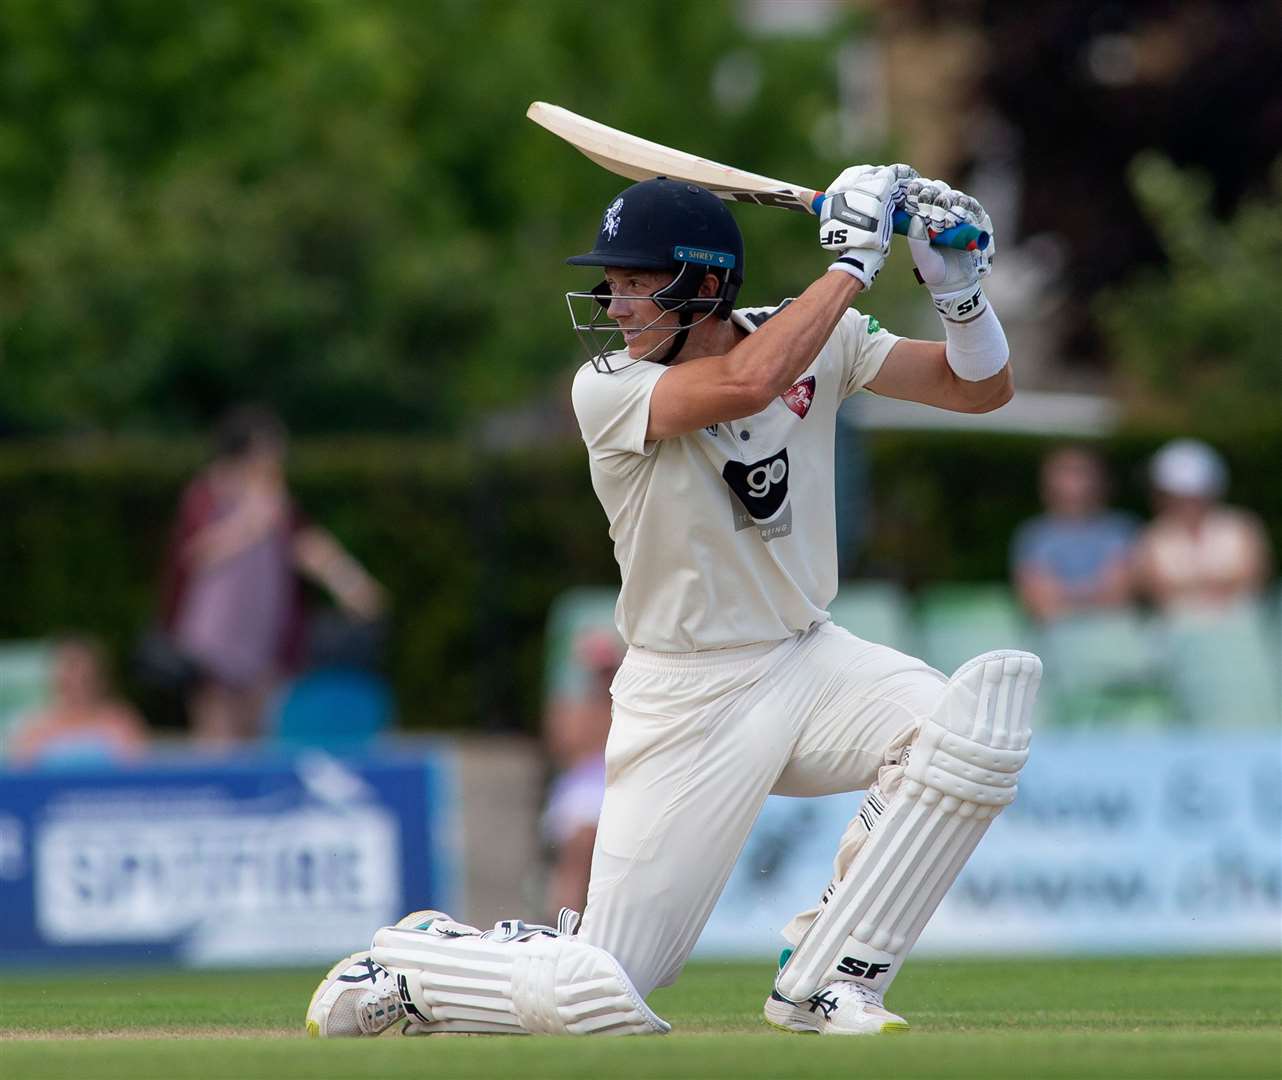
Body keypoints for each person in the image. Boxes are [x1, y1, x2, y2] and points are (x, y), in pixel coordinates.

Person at [307, 169, 1041, 1038]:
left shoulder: (814, 337)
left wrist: (958, 290)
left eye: (632, 284)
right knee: (598, 990)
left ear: (703, 284)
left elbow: (976, 389)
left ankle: (828, 976)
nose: (613, 308)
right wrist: (852, 260)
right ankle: (417, 959)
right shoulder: (608, 388)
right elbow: (744, 387)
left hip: (809, 658)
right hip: (686, 697)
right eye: (608, 285)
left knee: (968, 732)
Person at [161, 404, 386, 746]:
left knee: (261, 727)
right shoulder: (206, 493)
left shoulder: (276, 500)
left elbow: (308, 545)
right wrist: (252, 521)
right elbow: (196, 555)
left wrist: (351, 584)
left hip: (263, 634)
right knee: (217, 732)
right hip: (216, 636)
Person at [1133, 439, 1272, 613]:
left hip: (1239, 621)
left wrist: (1189, 588)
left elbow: (1254, 577)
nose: (1187, 504)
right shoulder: (1153, 535)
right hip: (1176, 628)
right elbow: (1154, 588)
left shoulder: (1242, 525)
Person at [540, 627, 622, 916]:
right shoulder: (571, 707)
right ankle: (565, 920)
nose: (604, 678)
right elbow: (566, 748)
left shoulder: (629, 704)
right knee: (579, 849)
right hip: (584, 788)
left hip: (616, 783)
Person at [1011, 446, 1138, 621]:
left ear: (1100, 480)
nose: (1074, 482)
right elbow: (1041, 602)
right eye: (1066, 472)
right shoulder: (1032, 534)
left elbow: (1119, 595)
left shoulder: (1123, 529)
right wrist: (1094, 593)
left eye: (1081, 472)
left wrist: (1065, 596)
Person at [7, 636, 148, 767]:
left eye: (83, 677)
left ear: (98, 678)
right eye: (68, 672)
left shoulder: (120, 721)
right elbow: (20, 777)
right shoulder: (35, 726)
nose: (75, 680)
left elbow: (137, 771)